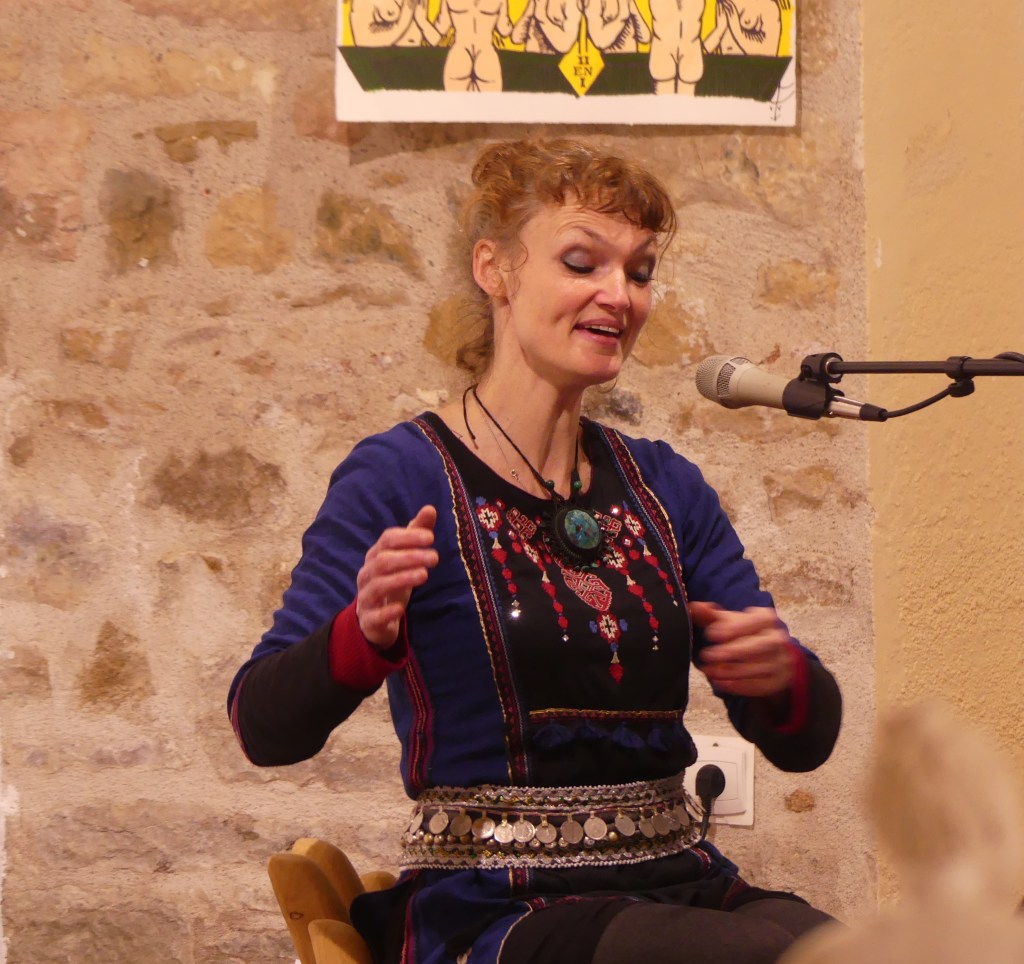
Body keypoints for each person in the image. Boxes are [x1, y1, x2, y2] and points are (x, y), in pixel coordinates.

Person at [227, 138, 843, 964]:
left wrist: (780, 677)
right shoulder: (401, 476)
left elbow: (807, 741)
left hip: (676, 882)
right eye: (582, 263)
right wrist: (360, 636)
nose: (618, 295)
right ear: (495, 269)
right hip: (493, 906)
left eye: (639, 272)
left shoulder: (666, 487)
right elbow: (260, 725)